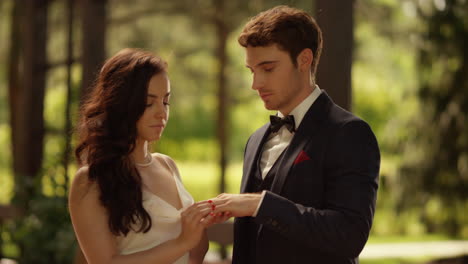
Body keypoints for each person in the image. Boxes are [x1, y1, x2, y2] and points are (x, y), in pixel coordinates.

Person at [205, 5, 380, 264]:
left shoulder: (349, 133)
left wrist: (260, 205)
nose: (256, 84)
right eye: (252, 71)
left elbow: (350, 235)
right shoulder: (255, 140)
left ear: (304, 59)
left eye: (268, 68)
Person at [69, 48, 215, 264]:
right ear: (121, 104)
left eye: (165, 101)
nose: (161, 112)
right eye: (148, 103)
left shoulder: (167, 165)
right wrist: (182, 242)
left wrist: (200, 222)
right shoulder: (90, 180)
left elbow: (194, 254)